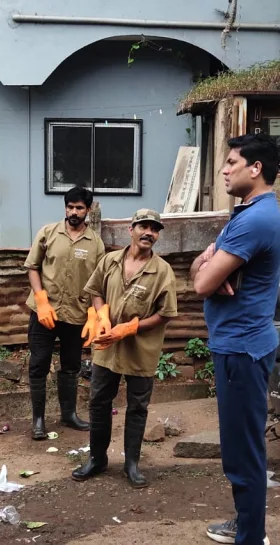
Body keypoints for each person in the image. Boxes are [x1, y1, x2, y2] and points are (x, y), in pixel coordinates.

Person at [190, 133, 280, 545]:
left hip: (242, 349)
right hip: (239, 344)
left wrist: (212, 267)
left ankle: (251, 536)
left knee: (243, 451)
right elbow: (202, 268)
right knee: (239, 446)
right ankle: (247, 523)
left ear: (255, 168)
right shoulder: (246, 213)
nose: (224, 169)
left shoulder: (255, 219)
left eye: (231, 162)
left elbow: (201, 283)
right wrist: (210, 264)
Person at [71, 209, 178, 489]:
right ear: (130, 229)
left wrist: (132, 328)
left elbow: (166, 313)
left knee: (138, 406)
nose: (149, 233)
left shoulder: (162, 271)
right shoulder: (110, 261)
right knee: (98, 402)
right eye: (143, 226)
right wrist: (101, 314)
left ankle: (131, 463)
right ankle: (97, 458)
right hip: (107, 347)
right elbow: (95, 290)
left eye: (154, 229)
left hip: (140, 350)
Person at [24, 186, 105, 441]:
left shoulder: (95, 244)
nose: (73, 212)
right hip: (45, 314)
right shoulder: (48, 233)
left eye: (79, 208)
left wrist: (96, 314)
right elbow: (33, 267)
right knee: (39, 365)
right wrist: (41, 299)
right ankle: (38, 420)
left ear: (88, 210)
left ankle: (68, 414)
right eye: (70, 207)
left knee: (70, 367)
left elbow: (97, 282)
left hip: (76, 315)